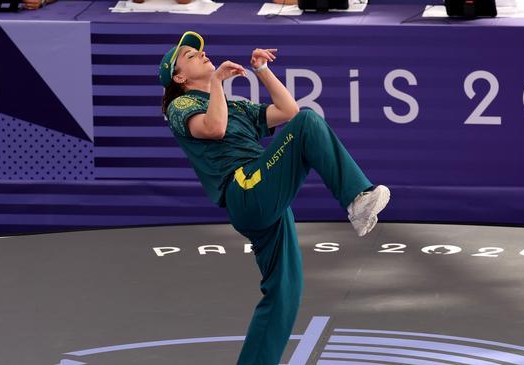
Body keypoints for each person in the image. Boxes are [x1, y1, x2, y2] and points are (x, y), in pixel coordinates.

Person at [159, 31, 390, 365]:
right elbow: (215, 129)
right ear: (179, 77)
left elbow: (287, 110)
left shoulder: (235, 104)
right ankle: (356, 199)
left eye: (200, 51)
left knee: (285, 292)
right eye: (190, 56)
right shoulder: (182, 105)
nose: (201, 54)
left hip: (263, 192)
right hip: (245, 189)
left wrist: (262, 71)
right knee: (309, 122)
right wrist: (218, 85)